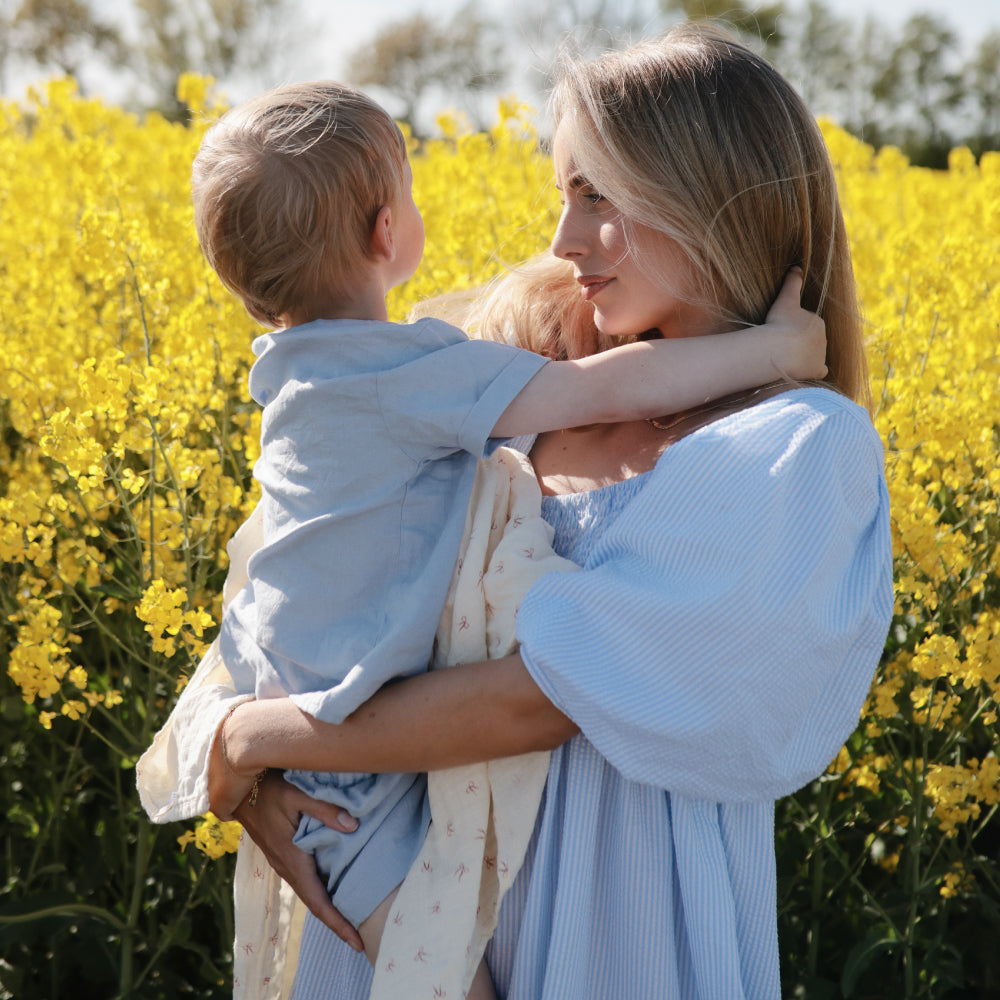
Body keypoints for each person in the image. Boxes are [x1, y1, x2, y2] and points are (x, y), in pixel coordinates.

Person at [156, 23, 894, 1000]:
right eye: (562, 194)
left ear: (707, 197)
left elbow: (543, 696)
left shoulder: (796, 447)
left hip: (612, 930)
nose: (562, 240)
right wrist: (220, 745)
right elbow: (287, 589)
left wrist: (261, 742)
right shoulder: (489, 379)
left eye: (599, 196)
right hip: (402, 921)